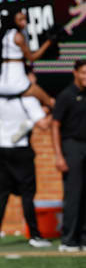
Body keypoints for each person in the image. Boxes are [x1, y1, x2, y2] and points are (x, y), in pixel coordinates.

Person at [50, 60, 86, 252]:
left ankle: (82, 237)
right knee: (74, 193)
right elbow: (55, 126)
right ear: (75, 73)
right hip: (71, 147)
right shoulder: (66, 96)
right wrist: (58, 155)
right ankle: (68, 239)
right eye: (84, 73)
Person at [0, 95, 52, 248]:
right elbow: (43, 125)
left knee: (2, 195)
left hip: (2, 150)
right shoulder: (28, 100)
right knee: (27, 194)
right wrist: (51, 110)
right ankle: (35, 236)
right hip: (21, 151)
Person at [0, 8, 55, 108]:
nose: (24, 22)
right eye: (20, 20)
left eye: (25, 19)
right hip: (16, 82)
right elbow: (32, 58)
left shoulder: (5, 35)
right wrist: (49, 42)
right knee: (50, 102)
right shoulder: (18, 36)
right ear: (13, 21)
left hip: (3, 82)